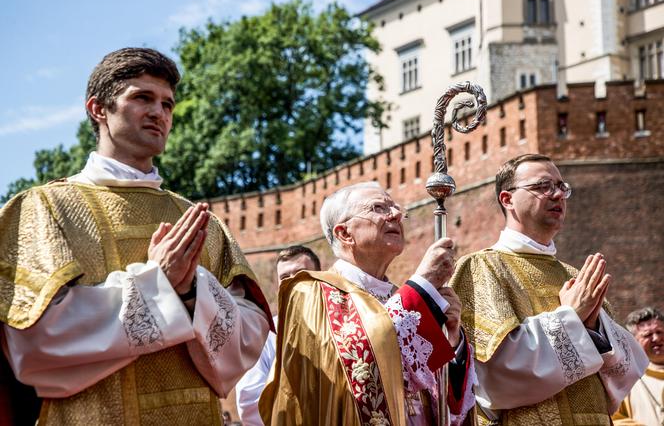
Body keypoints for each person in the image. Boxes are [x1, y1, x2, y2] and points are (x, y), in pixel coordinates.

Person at [0, 47, 272, 425]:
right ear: (98, 109)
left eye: (167, 104)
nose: (159, 113)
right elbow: (33, 346)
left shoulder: (198, 220)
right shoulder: (43, 209)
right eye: (142, 97)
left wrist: (194, 291)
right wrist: (155, 284)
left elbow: (250, 341)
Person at [450, 153, 648, 425]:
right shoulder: (481, 268)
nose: (557, 195)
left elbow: (625, 377)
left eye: (561, 187)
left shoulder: (575, 276)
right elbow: (497, 379)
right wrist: (571, 317)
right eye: (543, 186)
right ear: (507, 199)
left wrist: (594, 329)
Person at [259, 181, 475, 426]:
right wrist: (422, 288)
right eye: (378, 208)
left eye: (395, 208)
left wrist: (452, 339)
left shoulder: (401, 298)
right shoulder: (310, 292)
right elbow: (356, 364)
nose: (395, 214)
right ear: (344, 233)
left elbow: (435, 389)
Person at [235, 245, 321, 426]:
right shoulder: (265, 334)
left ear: (321, 280)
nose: (292, 282)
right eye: (285, 277)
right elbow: (249, 401)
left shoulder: (341, 325)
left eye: (301, 274)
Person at [613, 307, 664, 425]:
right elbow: (614, 419)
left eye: (660, 332)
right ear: (634, 342)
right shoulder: (626, 379)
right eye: (648, 335)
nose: (656, 338)